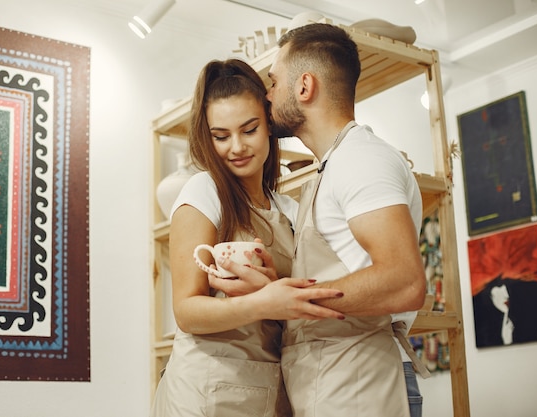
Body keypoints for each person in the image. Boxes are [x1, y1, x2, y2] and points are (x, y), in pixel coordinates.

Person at [211, 23, 428, 416]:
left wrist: (290, 301)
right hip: (338, 383)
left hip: (364, 384)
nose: (268, 94)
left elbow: (404, 281)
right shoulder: (336, 164)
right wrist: (274, 290)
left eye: (274, 81)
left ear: (305, 87)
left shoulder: (362, 160)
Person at [149, 58, 343, 417]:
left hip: (269, 386)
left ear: (269, 124)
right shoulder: (203, 192)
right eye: (220, 136)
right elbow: (187, 311)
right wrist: (265, 302)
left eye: (249, 129)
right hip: (205, 390)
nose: (236, 147)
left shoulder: (285, 207)